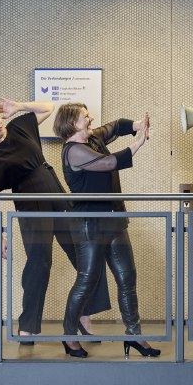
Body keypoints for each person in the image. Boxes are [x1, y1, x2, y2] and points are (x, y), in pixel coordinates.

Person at [0, 98, 111, 344]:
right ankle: (28, 327)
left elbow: (48, 107)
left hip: (53, 189)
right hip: (29, 201)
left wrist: (19, 107)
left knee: (85, 253)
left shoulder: (19, 127)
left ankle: (84, 316)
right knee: (39, 262)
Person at [54, 103, 159, 359]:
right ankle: (69, 336)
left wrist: (137, 126)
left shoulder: (94, 138)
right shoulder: (73, 151)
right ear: (72, 123)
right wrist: (140, 142)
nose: (90, 119)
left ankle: (135, 335)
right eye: (84, 116)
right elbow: (110, 163)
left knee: (127, 278)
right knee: (87, 279)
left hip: (113, 220)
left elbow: (118, 125)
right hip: (89, 224)